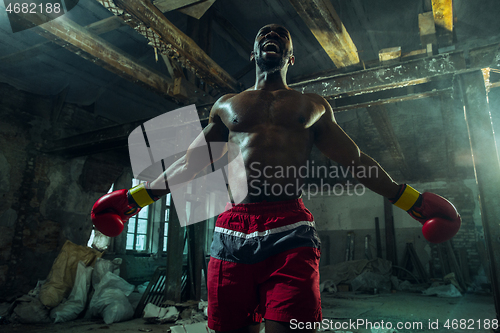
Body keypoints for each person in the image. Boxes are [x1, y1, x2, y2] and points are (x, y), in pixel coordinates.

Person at [91, 24, 461, 333]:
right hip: (233, 230)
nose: (272, 34)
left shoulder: (312, 105)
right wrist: (134, 200)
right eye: (264, 33)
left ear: (291, 57)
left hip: (290, 230)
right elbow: (191, 163)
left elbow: (355, 160)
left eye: (281, 35)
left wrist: (410, 199)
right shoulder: (226, 104)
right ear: (253, 53)